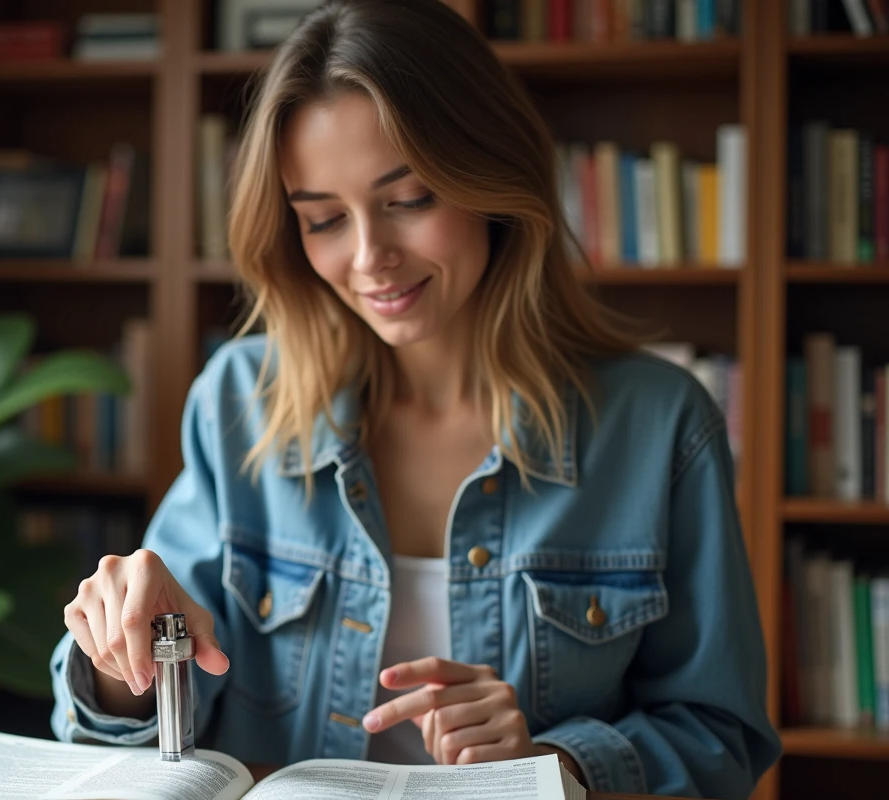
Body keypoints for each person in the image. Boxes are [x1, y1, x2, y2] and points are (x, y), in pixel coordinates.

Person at [51, 0, 781, 796]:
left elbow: (721, 734)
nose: (371, 258)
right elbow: (150, 711)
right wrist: (123, 649)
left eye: (411, 200)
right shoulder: (241, 398)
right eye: (323, 219)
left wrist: (558, 765)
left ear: (492, 180)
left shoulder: (660, 423)